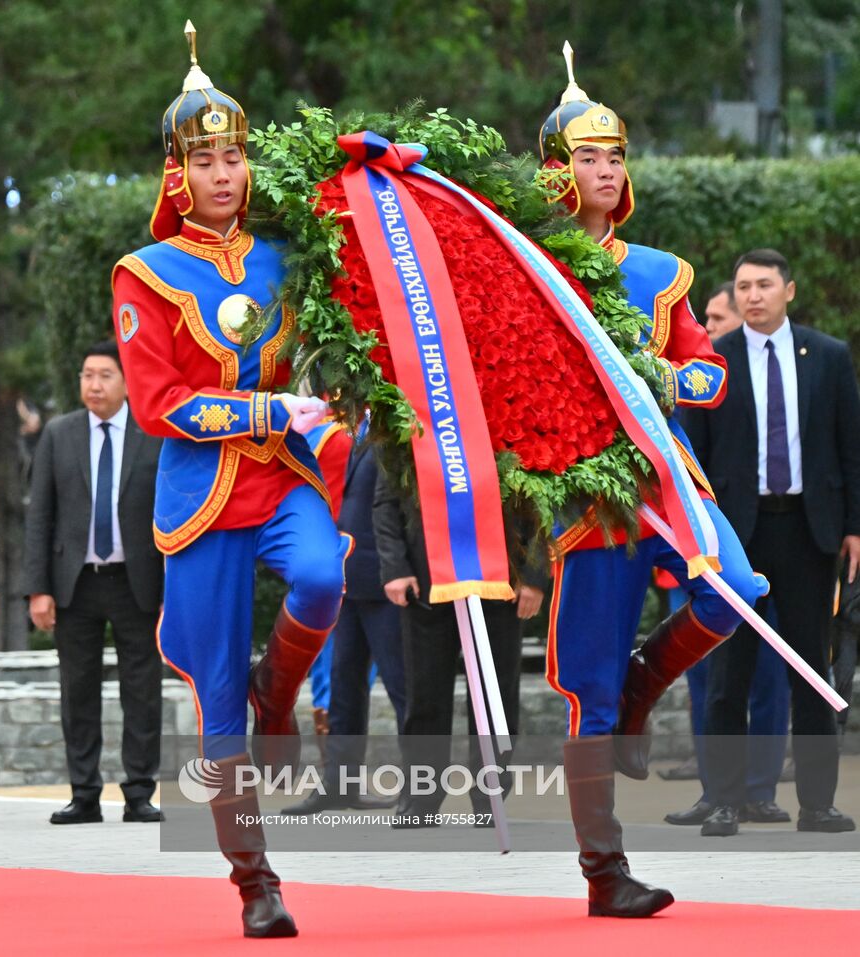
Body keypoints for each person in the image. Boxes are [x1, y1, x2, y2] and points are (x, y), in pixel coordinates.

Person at [111, 22, 347, 939]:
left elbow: (331, 350)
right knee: (214, 700)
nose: (223, 173)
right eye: (204, 159)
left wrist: (323, 406)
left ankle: (278, 689)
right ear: (177, 173)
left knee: (325, 579)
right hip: (205, 492)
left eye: (235, 156)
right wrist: (263, 412)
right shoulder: (146, 273)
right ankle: (255, 878)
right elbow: (156, 402)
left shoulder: (290, 255)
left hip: (287, 478)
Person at [537, 50, 762, 917]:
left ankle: (645, 683)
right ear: (556, 170)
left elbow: (706, 376)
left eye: (615, 155)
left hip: (667, 475)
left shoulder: (659, 273)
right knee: (588, 687)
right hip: (586, 486)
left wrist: (659, 378)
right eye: (588, 156)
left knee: (736, 589)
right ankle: (604, 869)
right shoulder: (523, 271)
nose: (606, 169)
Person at [686, 248, 860, 836]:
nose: (752, 295)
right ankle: (726, 800)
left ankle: (817, 804)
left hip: (810, 533)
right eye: (742, 286)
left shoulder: (829, 358)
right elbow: (696, 457)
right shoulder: (715, 360)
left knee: (811, 668)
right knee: (729, 670)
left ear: (789, 290)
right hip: (737, 533)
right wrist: (701, 536)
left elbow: (850, 448)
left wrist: (854, 527)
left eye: (764, 285)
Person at [22, 340, 165, 826]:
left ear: (126, 382)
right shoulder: (59, 435)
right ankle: (83, 793)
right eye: (87, 375)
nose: (94, 384)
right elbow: (40, 514)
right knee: (76, 688)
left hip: (137, 582)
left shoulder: (153, 435)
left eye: (105, 375)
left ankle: (140, 793)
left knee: (142, 690)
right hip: (75, 583)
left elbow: (172, 513)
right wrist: (37, 588)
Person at [661, 284, 789, 825]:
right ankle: (716, 793)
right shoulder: (698, 384)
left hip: (772, 549)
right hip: (705, 554)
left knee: (766, 677)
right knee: (705, 680)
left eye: (716, 319)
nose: (707, 328)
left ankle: (760, 790)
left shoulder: (783, 375)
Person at [370, 472, 543, 825]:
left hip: (500, 578)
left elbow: (544, 496)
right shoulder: (409, 417)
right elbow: (386, 504)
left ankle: (490, 797)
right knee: (425, 694)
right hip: (425, 578)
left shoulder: (513, 417)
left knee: (496, 695)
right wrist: (395, 567)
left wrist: (535, 576)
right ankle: (422, 797)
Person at [281, 422, 407, 814]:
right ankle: (339, 783)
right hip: (347, 576)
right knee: (343, 687)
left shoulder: (395, 425)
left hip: (386, 578)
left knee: (405, 689)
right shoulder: (358, 426)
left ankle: (421, 791)